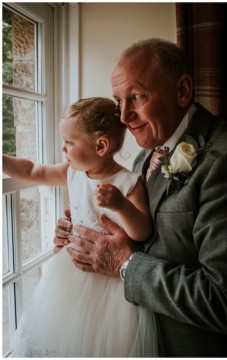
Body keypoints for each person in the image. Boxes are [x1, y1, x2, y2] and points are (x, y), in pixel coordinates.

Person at [53, 38, 227, 357]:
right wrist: (86, 236)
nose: (123, 117)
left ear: (182, 91)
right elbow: (141, 235)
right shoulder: (145, 155)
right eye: (118, 101)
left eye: (136, 97)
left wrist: (124, 263)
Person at [4, 97, 158, 357]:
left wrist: (121, 206)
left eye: (69, 142)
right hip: (70, 275)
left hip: (111, 286)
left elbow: (142, 231)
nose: (63, 150)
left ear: (100, 145)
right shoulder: (71, 172)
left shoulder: (128, 183)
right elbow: (33, 171)